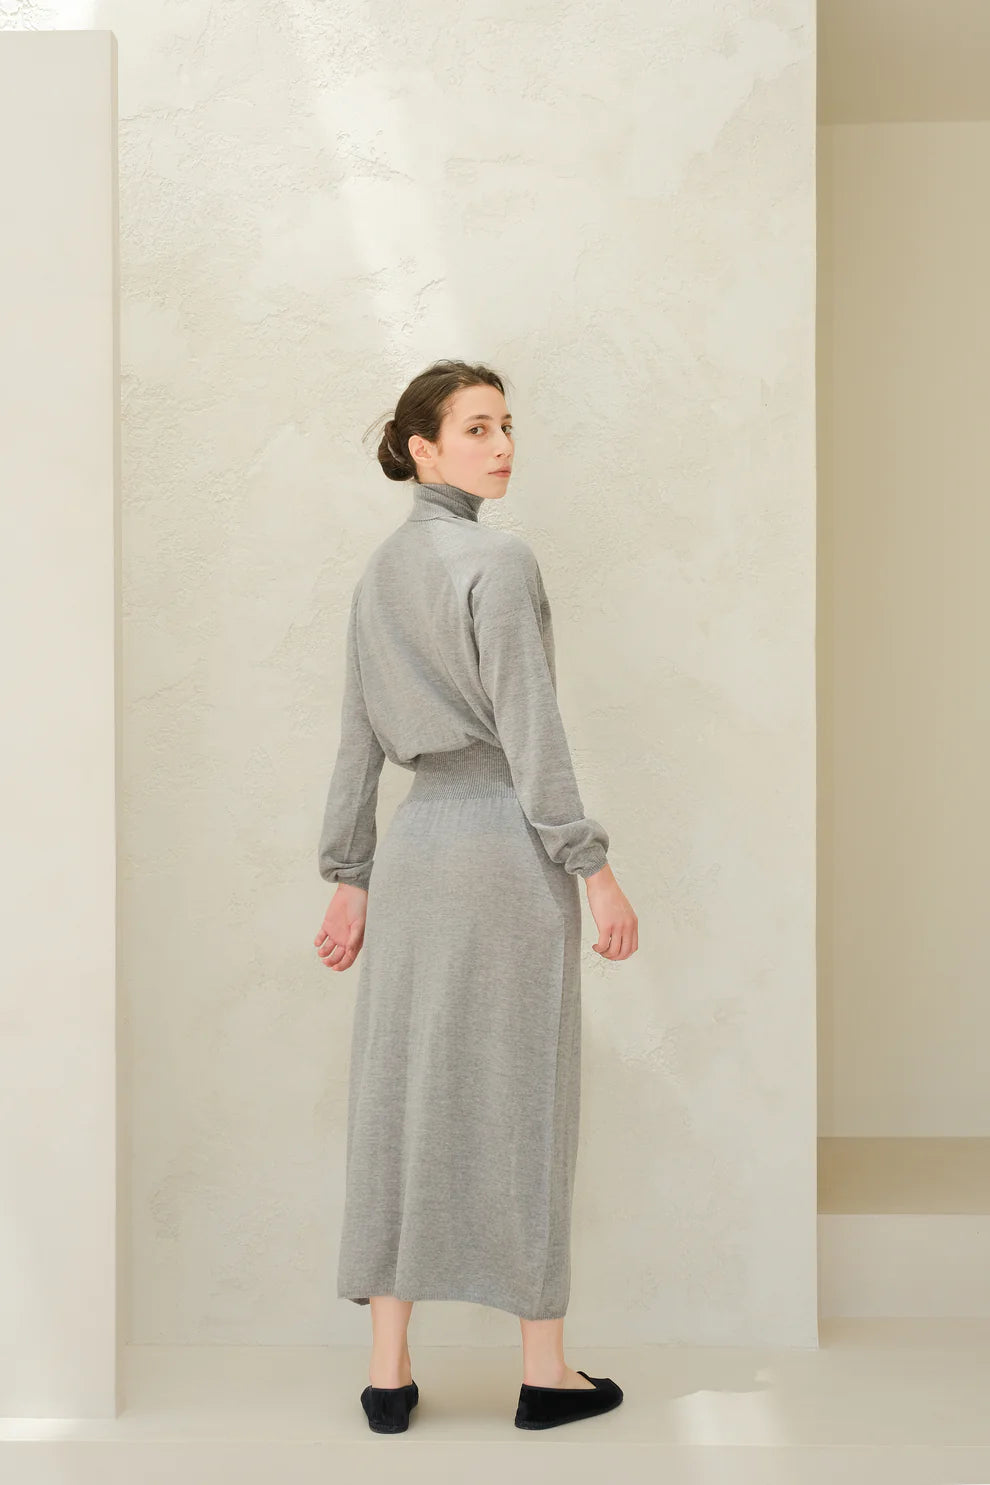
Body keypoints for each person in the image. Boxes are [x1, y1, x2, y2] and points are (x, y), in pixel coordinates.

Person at [313, 358, 637, 1432]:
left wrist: (350, 873)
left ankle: (387, 1373)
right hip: (504, 847)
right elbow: (531, 733)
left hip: (415, 854)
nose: (501, 446)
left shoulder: (378, 573)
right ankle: (545, 1374)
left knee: (398, 1095)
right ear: (423, 448)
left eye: (505, 426)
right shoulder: (499, 562)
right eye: (476, 429)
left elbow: (357, 738)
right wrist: (592, 868)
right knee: (522, 1096)